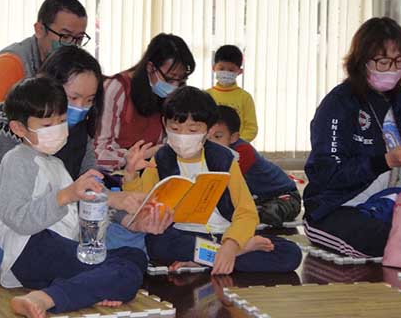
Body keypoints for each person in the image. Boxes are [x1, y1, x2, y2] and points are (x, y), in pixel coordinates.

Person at [0, 47, 171, 270]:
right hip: (7, 220)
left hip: (61, 218)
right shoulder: (8, 123)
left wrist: (127, 216)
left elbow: (91, 185)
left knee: (129, 235)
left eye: (90, 100)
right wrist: (103, 199)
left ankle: (63, 259)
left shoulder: (79, 130)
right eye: (74, 97)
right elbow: (24, 204)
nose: (81, 108)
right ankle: (72, 260)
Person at [0, 77, 146, 318]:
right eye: (46, 124)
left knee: (134, 257)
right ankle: (42, 299)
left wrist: (104, 202)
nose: (57, 129)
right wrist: (67, 195)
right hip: (31, 249)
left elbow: (74, 220)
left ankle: (86, 287)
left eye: (61, 121)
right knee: (125, 275)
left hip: (60, 246)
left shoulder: (55, 163)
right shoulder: (17, 160)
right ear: (19, 129)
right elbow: (16, 218)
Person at [124, 86, 302, 274]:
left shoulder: (224, 159)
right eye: (175, 129)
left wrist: (232, 244)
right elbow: (142, 205)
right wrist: (131, 175)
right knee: (157, 244)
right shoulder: (161, 159)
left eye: (193, 129)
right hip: (183, 235)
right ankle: (224, 256)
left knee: (290, 254)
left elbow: (246, 211)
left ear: (208, 130)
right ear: (164, 123)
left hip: (224, 233)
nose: (183, 135)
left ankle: (208, 258)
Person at [303, 17, 401, 258]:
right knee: (391, 242)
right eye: (383, 61)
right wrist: (384, 161)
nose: (392, 69)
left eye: (399, 61)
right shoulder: (339, 104)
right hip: (336, 207)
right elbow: (325, 174)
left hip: (387, 203)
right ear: (362, 62)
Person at [0, 0, 89, 148]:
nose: (73, 45)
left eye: (79, 38)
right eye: (65, 36)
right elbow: (2, 131)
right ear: (39, 29)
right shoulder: (9, 64)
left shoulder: (66, 66)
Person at [94, 33, 195, 172]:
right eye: (170, 78)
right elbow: (99, 151)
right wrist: (140, 155)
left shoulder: (172, 96)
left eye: (181, 80)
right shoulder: (118, 87)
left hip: (152, 171)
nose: (175, 86)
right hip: (115, 174)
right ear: (150, 67)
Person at [208, 105, 302, 227]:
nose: (211, 142)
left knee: (269, 214)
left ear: (233, 137)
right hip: (257, 198)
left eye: (218, 137)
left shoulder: (242, 151)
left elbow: (227, 184)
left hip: (285, 195)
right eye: (207, 136)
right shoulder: (212, 151)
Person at [206, 45, 258, 142]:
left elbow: (251, 128)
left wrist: (236, 142)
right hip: (210, 146)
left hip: (237, 148)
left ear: (240, 71)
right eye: (221, 68)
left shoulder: (245, 97)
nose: (225, 72)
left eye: (231, 70)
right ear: (214, 68)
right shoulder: (206, 95)